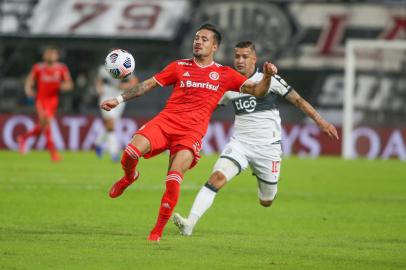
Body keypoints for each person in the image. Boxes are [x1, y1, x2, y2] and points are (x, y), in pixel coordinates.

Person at [100, 24, 278, 242]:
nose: (198, 42)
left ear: (214, 46)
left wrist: (267, 76)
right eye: (196, 38)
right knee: (130, 153)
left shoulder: (225, 74)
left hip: (190, 134)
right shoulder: (179, 66)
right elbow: (148, 85)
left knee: (173, 179)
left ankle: (156, 232)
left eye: (204, 39)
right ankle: (129, 177)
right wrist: (117, 100)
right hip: (165, 123)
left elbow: (258, 91)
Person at [172, 41, 339, 236]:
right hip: (240, 145)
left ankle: (264, 184)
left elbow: (298, 100)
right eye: (237, 56)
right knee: (217, 177)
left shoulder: (269, 79)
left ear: (254, 59)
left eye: (245, 57)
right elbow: (203, 107)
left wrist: (322, 123)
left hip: (268, 149)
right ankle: (189, 223)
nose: (240, 61)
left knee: (266, 200)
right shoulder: (228, 84)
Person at [18, 46, 73, 161]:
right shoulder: (38, 67)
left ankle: (24, 137)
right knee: (47, 123)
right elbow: (30, 80)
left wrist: (63, 86)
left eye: (53, 53)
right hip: (41, 100)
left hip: (53, 100)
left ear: (57, 56)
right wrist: (28, 89)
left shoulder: (61, 68)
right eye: (48, 53)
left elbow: (69, 84)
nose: (51, 56)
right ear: (44, 55)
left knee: (43, 125)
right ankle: (53, 153)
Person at [94, 64, 139, 161]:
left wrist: (124, 85)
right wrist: (99, 89)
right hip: (106, 96)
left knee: (111, 125)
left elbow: (134, 82)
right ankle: (114, 153)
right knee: (111, 124)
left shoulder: (126, 67)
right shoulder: (103, 68)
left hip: (119, 98)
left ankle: (98, 143)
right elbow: (99, 80)